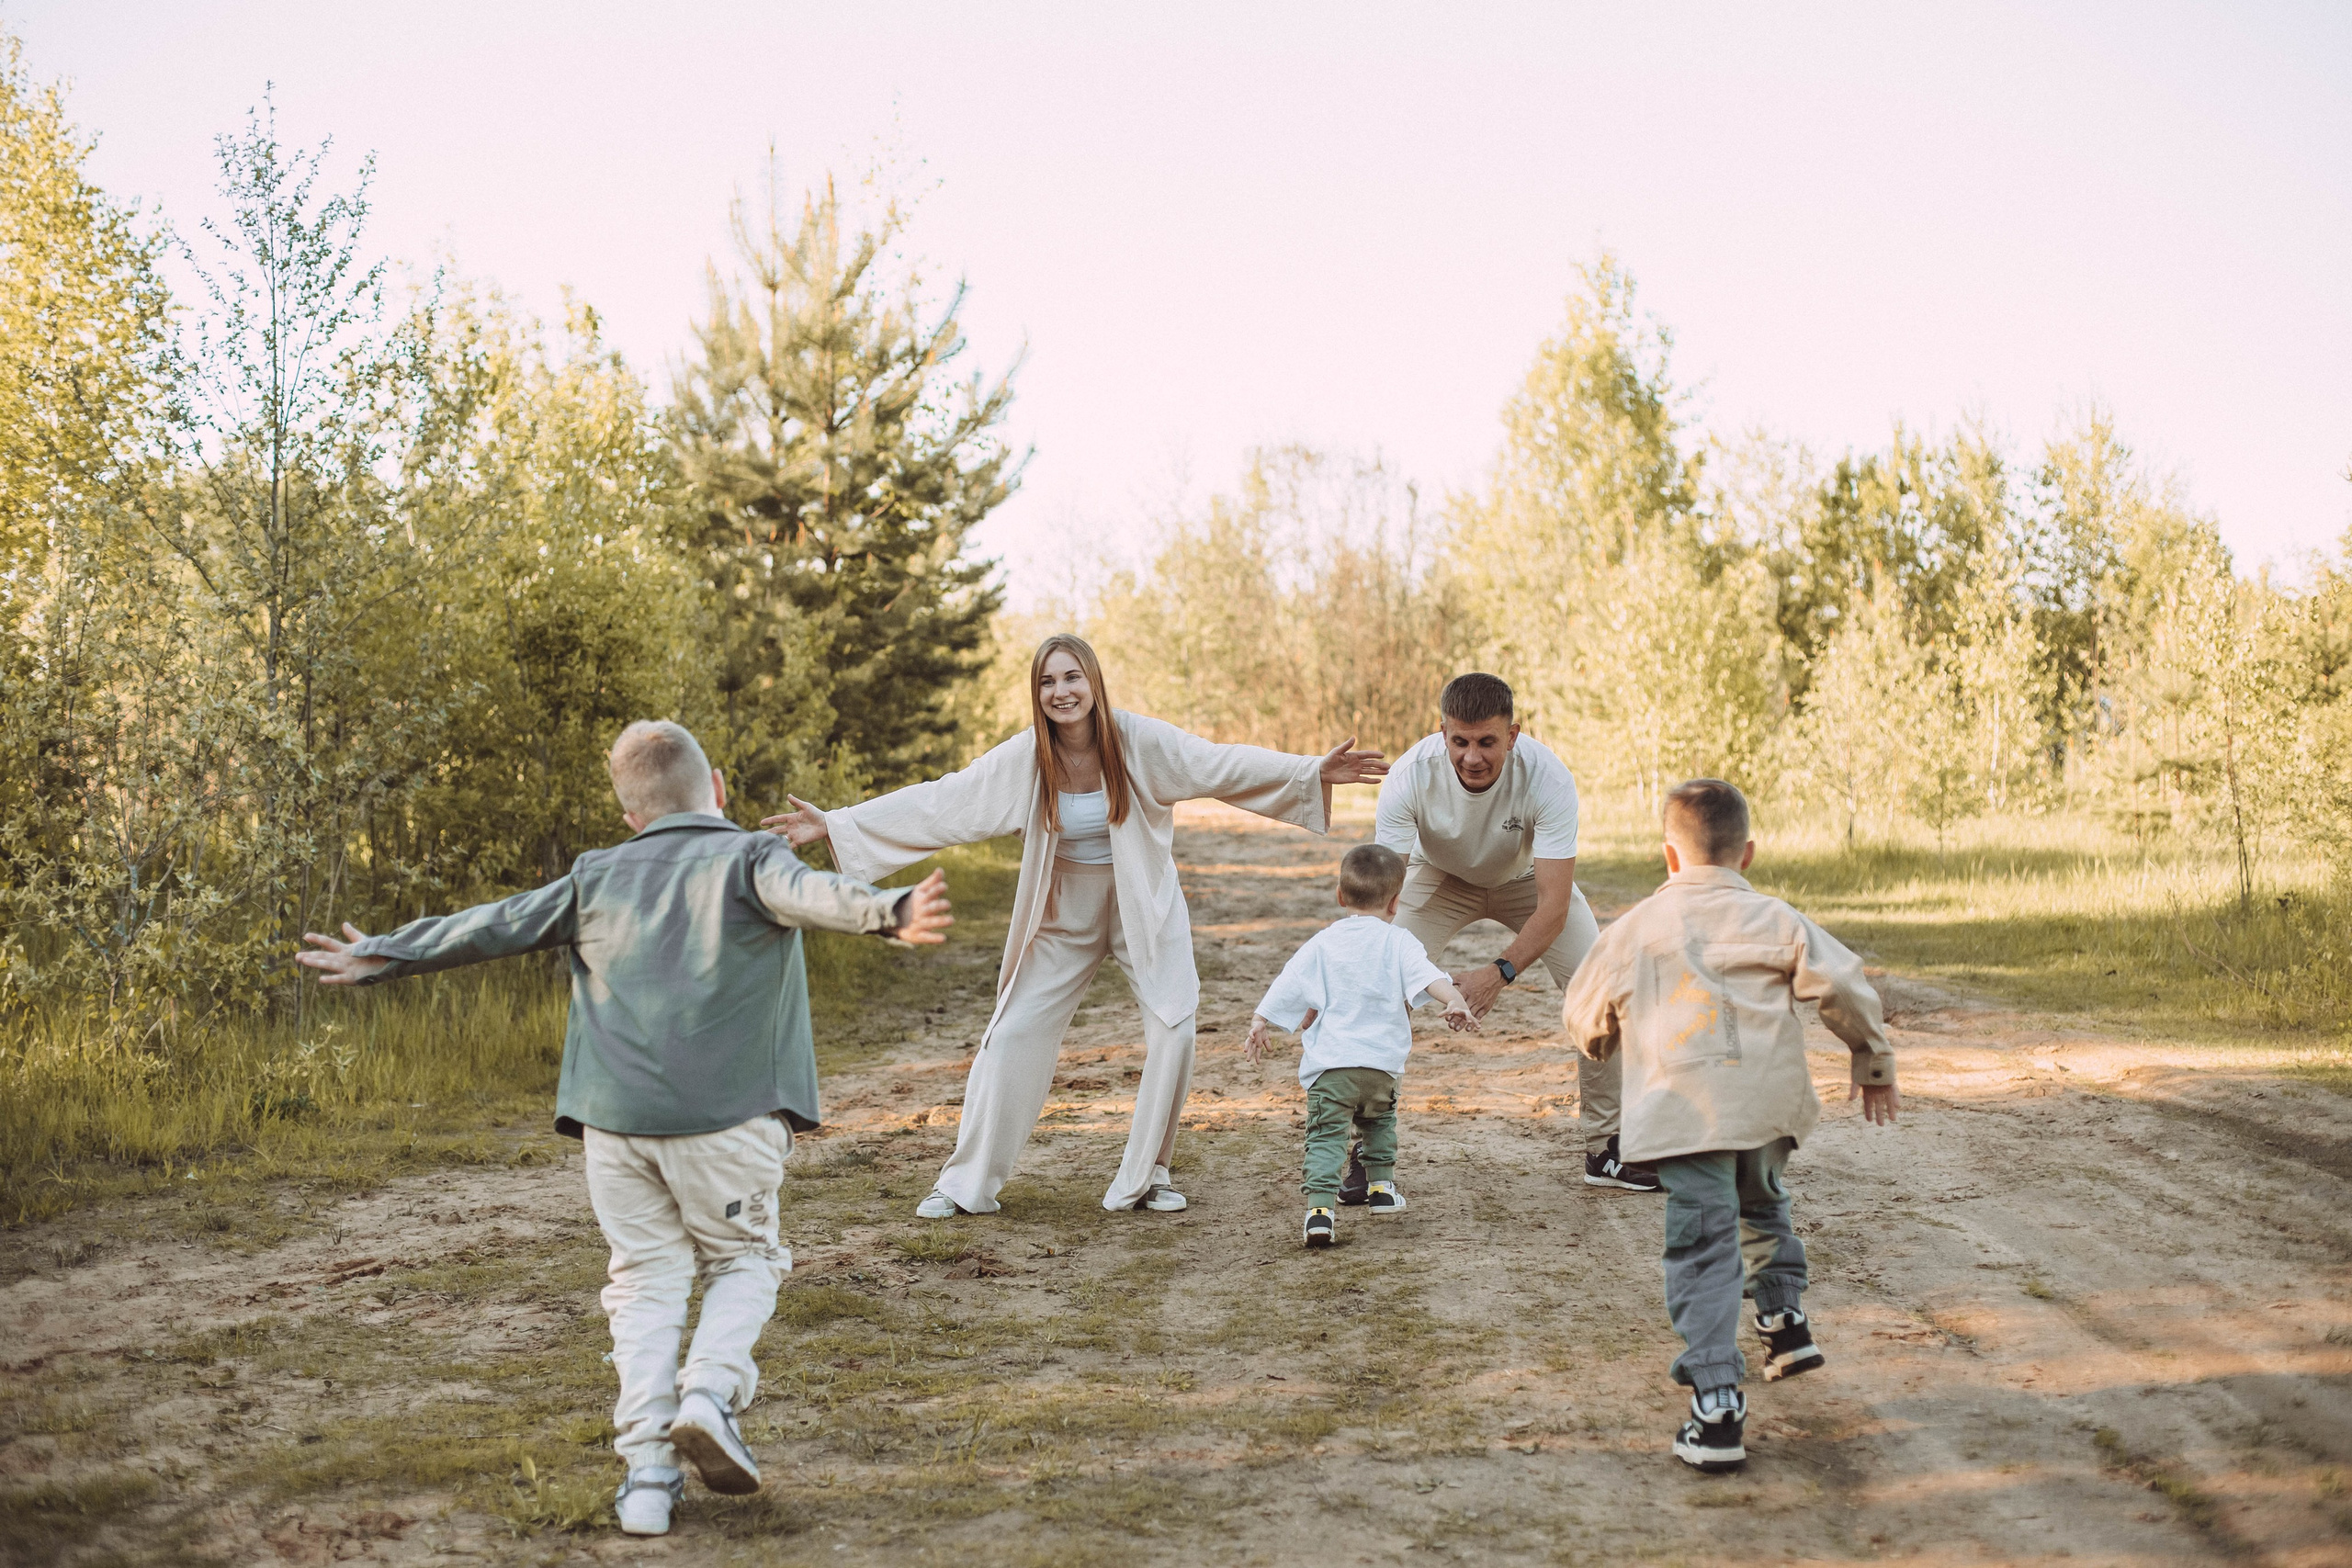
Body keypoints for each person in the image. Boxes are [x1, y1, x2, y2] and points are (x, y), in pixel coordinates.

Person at [296, 721, 952, 1538]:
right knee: (745, 1259)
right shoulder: (751, 856)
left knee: (644, 1284)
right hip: (727, 1120)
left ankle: (646, 1474)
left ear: (630, 814)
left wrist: (386, 951)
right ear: (716, 791)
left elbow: (492, 923)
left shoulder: (595, 873)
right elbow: (814, 897)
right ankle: (708, 1394)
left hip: (615, 1127)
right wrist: (890, 909)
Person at [766, 633, 1387, 1218]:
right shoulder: (1026, 757)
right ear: (1036, 693)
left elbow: (1216, 763)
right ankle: (965, 1184)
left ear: (1092, 679)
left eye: (1071, 676)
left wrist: (1308, 771)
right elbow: (945, 799)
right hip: (1064, 909)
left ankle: (1152, 1174)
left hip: (1142, 901)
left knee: (1175, 1024)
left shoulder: (1137, 740)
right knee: (1010, 1035)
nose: (1060, 690)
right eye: (1046, 681)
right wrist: (838, 824)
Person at [1559, 778, 1897, 1473]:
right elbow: (1842, 982)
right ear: (1747, 853)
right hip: (1765, 1107)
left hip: (1684, 1115)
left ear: (1669, 857)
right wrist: (1873, 1058)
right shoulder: (1776, 918)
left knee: (1705, 1247)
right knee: (1764, 1203)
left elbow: (1583, 1006)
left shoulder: (1636, 929)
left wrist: (1599, 1041)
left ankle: (1716, 1403)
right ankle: (1783, 1319)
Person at [1373, 671, 1657, 1192]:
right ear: (1442, 734)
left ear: (1514, 734)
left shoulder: (1548, 778)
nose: (1472, 757)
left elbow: (1552, 904)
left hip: (1526, 881)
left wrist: (1498, 973)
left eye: (1487, 742)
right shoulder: (1410, 775)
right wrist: (1358, 970)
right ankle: (1365, 1155)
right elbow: (1383, 899)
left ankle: (1608, 1149)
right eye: (1459, 741)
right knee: (1378, 988)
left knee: (1599, 990)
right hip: (1438, 877)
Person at [1245, 843, 1477, 1247]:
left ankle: (1319, 1213)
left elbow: (1289, 982)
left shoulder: (1321, 944)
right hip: (1380, 1069)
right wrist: (1454, 999)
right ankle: (1382, 1189)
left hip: (1332, 1069)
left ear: (1340, 896)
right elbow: (1428, 977)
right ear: (1395, 903)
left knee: (1325, 1137)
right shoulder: (1400, 941)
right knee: (1380, 1124)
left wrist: (1261, 1019)